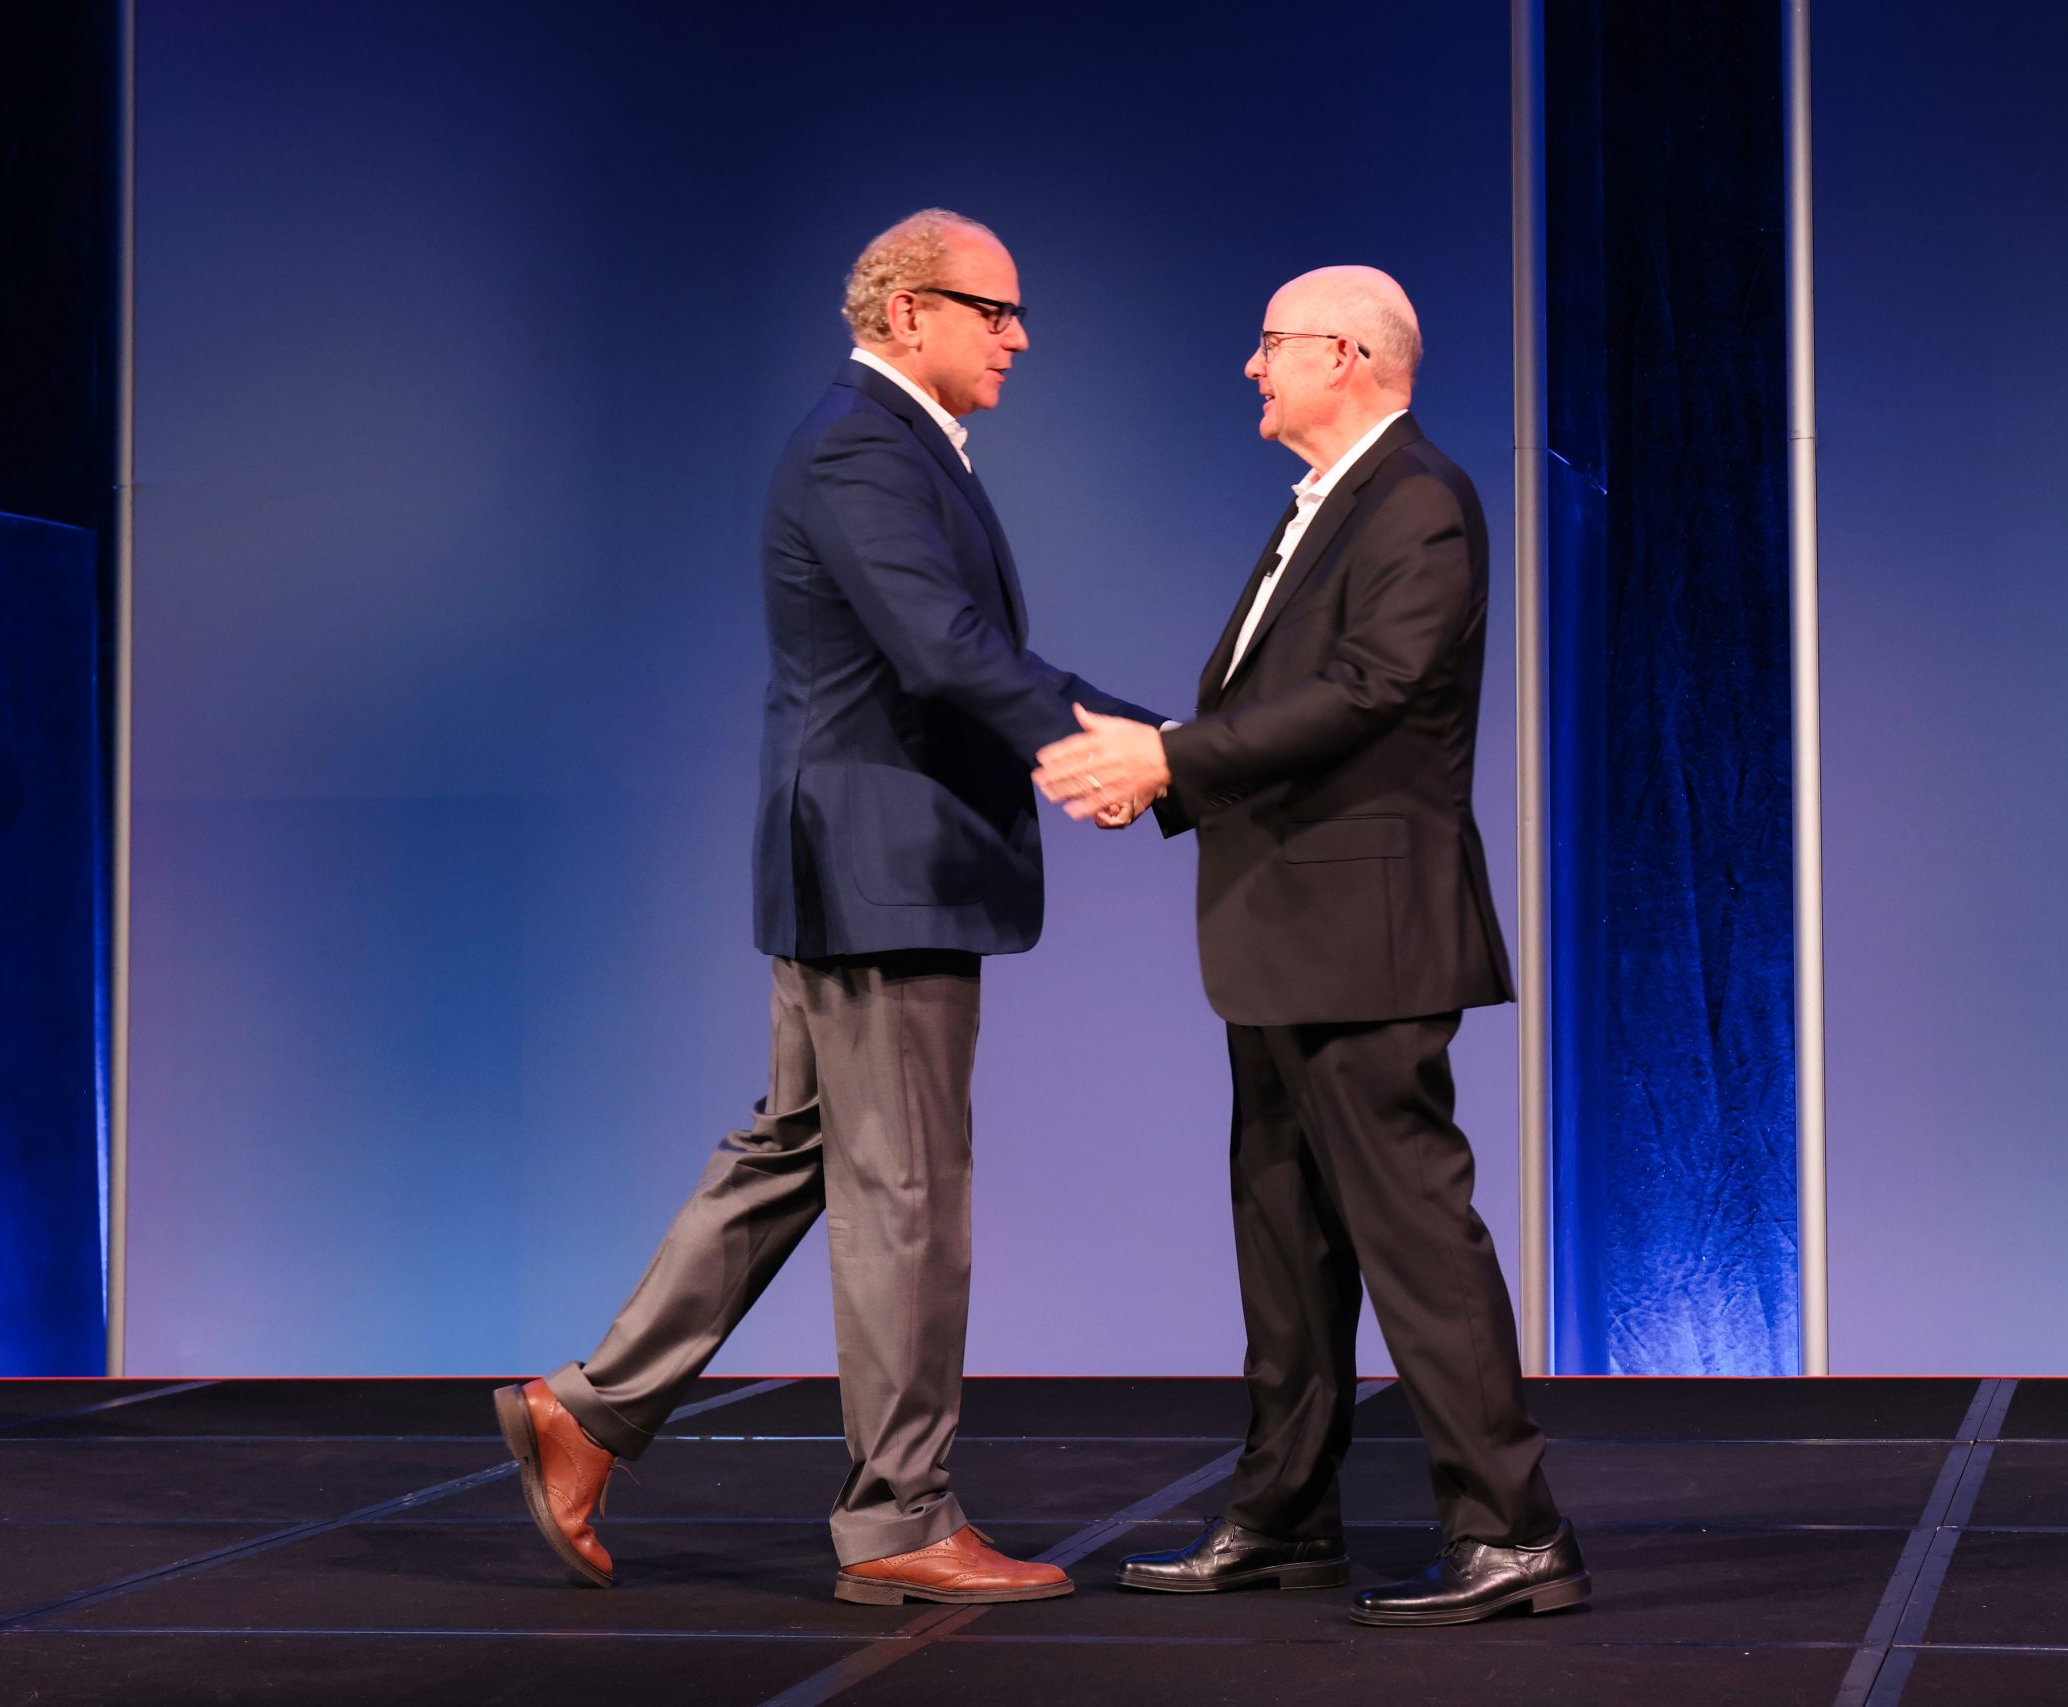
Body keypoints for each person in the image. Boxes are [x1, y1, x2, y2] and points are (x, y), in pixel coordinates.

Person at [496, 209, 1159, 1607]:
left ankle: (589, 1408)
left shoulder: (895, 444)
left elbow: (956, 648)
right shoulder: (865, 441)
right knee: (907, 1195)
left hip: (859, 863)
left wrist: (1160, 744)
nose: (1021, 336)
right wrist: (1107, 749)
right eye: (998, 310)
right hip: (882, 872)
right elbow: (942, 648)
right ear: (908, 313)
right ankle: (900, 1519)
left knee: (797, 1151)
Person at [1034, 266, 1586, 1627]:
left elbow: (1370, 693)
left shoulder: (1417, 501)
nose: (1250, 367)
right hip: (1287, 929)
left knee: (1411, 1233)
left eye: (1271, 343)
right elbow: (1279, 705)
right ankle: (1283, 1521)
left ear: (1348, 356)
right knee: (1282, 1234)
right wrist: (1156, 764)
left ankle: (1514, 1533)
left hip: (1369, 932)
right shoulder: (1327, 507)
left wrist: (1165, 759)